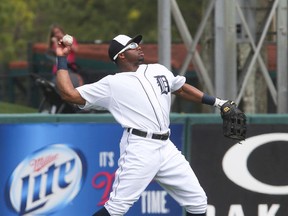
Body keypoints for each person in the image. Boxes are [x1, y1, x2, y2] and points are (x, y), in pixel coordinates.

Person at [55, 34, 229, 216]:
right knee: (116, 208)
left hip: (166, 146)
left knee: (198, 203)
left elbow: (181, 88)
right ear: (121, 55)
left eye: (137, 43)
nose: (138, 46)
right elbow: (69, 94)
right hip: (140, 146)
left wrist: (218, 102)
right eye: (132, 45)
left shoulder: (157, 70)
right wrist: (61, 58)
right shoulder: (111, 84)